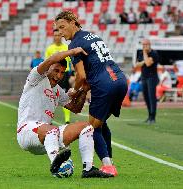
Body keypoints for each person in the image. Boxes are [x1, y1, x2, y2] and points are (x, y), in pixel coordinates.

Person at [17, 47, 113, 178]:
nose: (59, 75)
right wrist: (72, 52)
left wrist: (83, 90)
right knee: (51, 129)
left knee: (87, 127)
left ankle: (88, 169)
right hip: (27, 132)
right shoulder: (36, 77)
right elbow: (52, 58)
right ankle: (57, 165)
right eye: (56, 70)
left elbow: (75, 108)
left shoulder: (57, 90)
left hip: (47, 140)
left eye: (62, 72)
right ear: (48, 67)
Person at [55, 11, 128, 176]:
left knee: (91, 128)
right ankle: (108, 161)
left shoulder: (74, 44)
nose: (60, 32)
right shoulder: (93, 36)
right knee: (100, 124)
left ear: (73, 23)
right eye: (58, 29)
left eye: (62, 27)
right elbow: (96, 66)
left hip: (104, 85)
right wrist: (85, 88)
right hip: (120, 80)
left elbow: (81, 75)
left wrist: (75, 90)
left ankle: (107, 166)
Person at [45, 29, 72, 124]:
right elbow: (47, 62)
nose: (57, 37)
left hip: (65, 75)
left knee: (65, 97)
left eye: (58, 35)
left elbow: (70, 62)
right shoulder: (49, 49)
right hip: (52, 75)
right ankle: (48, 118)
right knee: (50, 96)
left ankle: (67, 120)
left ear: (61, 36)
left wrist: (72, 74)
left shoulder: (66, 47)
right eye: (55, 35)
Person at [136, 39, 159, 124]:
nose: (144, 47)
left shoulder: (154, 53)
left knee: (151, 97)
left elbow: (148, 63)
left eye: (146, 45)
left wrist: (145, 54)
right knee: (146, 97)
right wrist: (144, 61)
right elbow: (137, 64)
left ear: (149, 45)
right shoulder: (141, 53)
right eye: (143, 45)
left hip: (152, 77)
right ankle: (149, 116)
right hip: (144, 77)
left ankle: (153, 117)